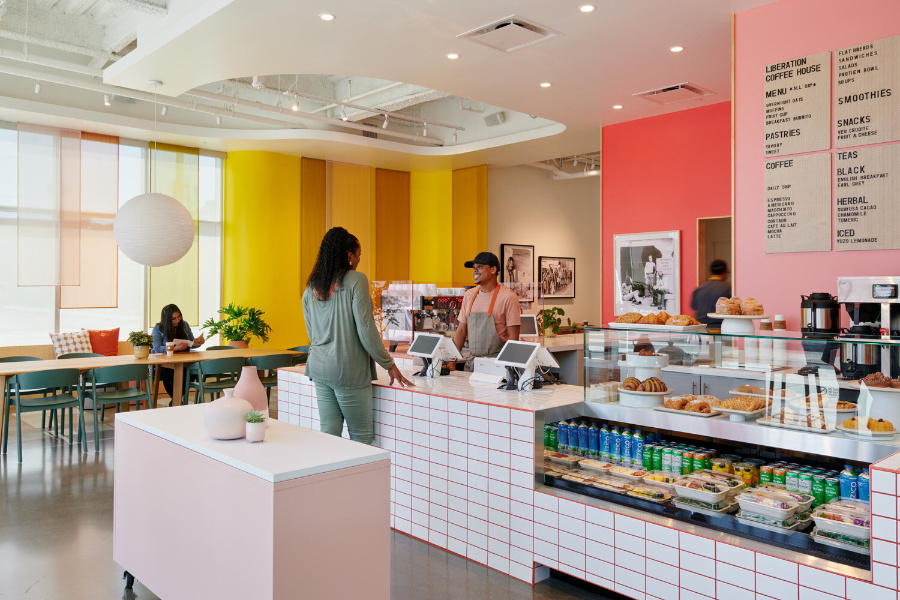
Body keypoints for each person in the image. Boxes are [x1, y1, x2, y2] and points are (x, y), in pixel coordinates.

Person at [302, 226, 413, 445]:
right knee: (361, 437)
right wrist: (388, 363)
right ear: (349, 255)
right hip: (347, 369)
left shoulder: (311, 287)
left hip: (318, 367)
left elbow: (312, 333)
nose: (359, 259)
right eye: (358, 254)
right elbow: (366, 330)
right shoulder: (356, 280)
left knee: (329, 433)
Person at [453, 251, 521, 368]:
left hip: (497, 364)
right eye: (474, 268)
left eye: (480, 267)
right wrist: (452, 360)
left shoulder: (508, 297)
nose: (475, 271)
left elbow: (513, 338)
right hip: (472, 364)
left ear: (493, 270)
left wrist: (508, 368)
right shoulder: (469, 295)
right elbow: (461, 331)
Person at [151, 304, 204, 402]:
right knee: (167, 372)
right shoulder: (158, 328)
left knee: (193, 370)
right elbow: (156, 349)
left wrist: (197, 343)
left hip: (184, 361)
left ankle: (176, 400)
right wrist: (174, 348)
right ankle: (176, 400)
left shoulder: (184, 325)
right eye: (173, 319)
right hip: (166, 364)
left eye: (179, 317)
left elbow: (191, 343)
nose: (177, 320)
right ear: (167, 319)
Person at [691, 259, 732, 330]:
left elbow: (695, 314)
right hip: (722, 329)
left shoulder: (699, 289)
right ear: (724, 272)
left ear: (710, 272)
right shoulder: (728, 288)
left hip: (702, 330)